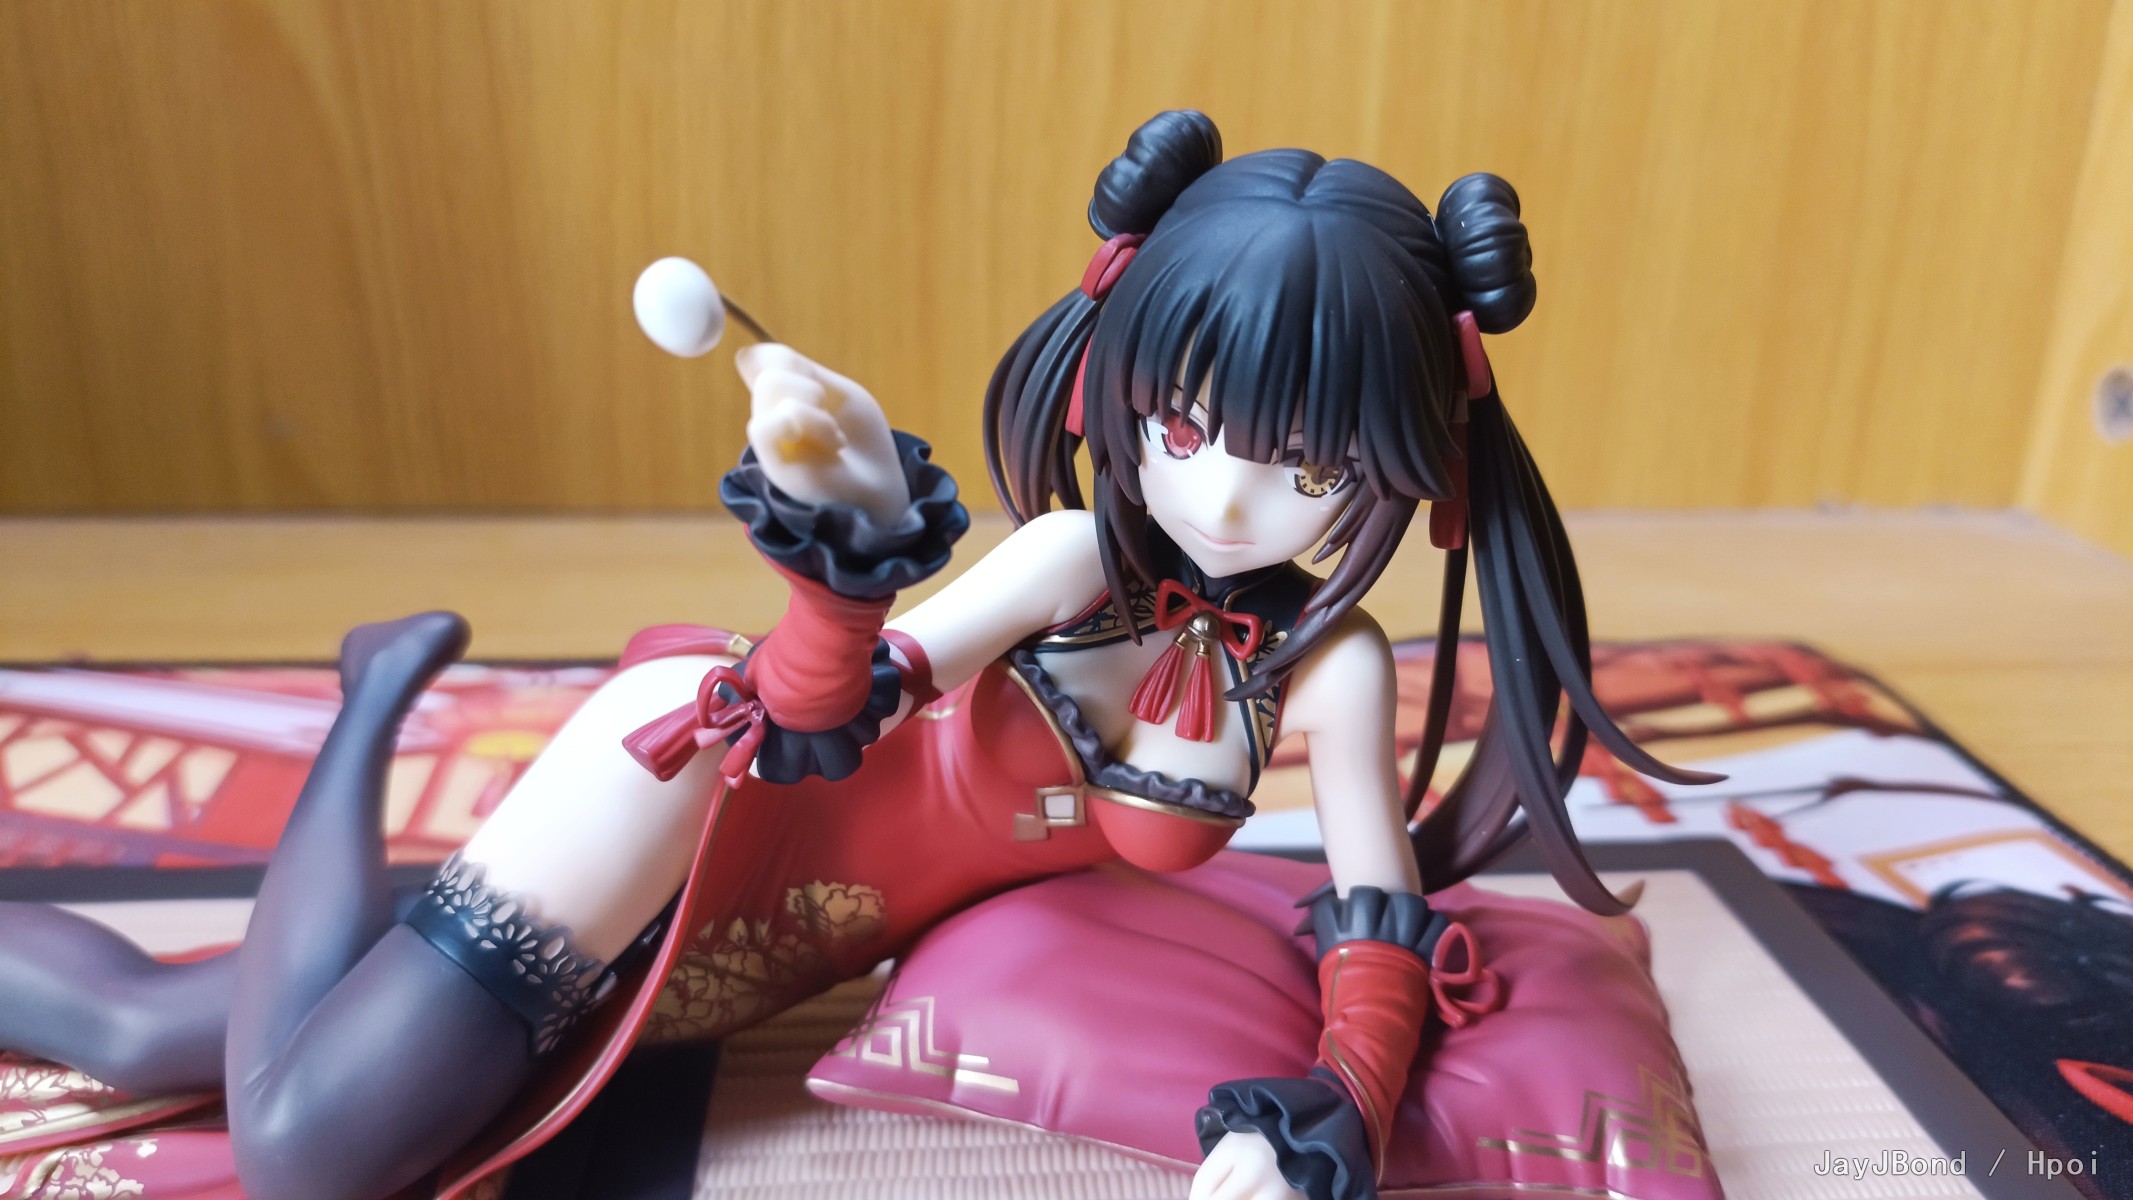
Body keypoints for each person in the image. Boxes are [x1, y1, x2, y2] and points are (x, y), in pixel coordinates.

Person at [0, 110, 1709, 1200]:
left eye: (1305, 466)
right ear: (1118, 383)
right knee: (308, 1155)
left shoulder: (1328, 670)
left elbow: (1372, 917)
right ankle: (370, 705)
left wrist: (1333, 1102)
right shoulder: (1069, 557)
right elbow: (843, 708)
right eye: (1182, 427)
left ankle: (370, 740)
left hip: (771, 943)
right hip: (700, 788)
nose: (1223, 496)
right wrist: (844, 563)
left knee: (145, 1026)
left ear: (1406, 463)